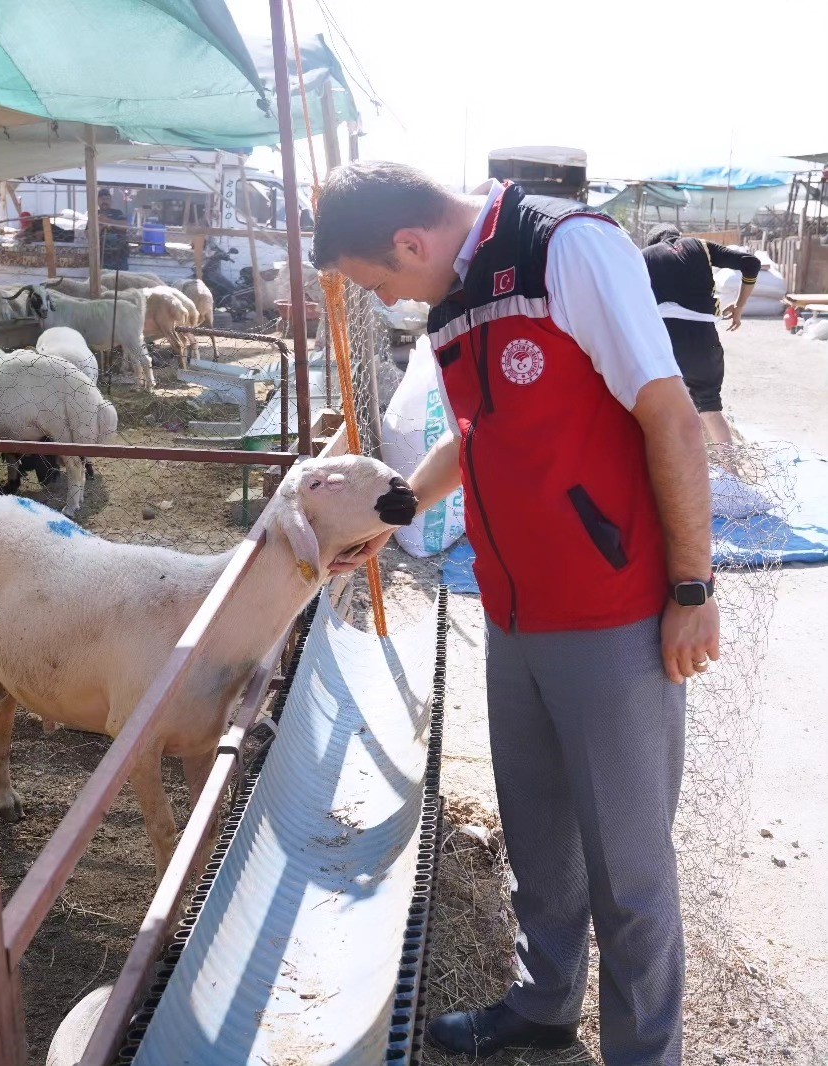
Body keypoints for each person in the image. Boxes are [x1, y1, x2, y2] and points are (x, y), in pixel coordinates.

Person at [312, 163, 720, 1065]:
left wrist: (692, 588)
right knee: (538, 835)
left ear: (410, 242)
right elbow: (478, 434)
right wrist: (398, 513)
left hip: (613, 614)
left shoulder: (565, 249)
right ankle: (544, 1005)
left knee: (630, 870)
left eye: (381, 282)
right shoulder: (456, 299)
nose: (390, 298)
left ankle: (645, 1054)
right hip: (513, 608)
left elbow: (672, 418)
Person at [642, 224, 761, 446]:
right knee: (710, 408)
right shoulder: (701, 246)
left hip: (663, 340)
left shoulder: (643, 257)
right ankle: (731, 476)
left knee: (664, 410)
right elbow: (751, 263)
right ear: (677, 234)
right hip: (703, 340)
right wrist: (740, 306)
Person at [97, 188, 130, 272]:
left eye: (107, 199)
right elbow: (88, 234)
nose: (104, 201)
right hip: (101, 256)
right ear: (97, 201)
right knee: (103, 280)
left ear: (111, 201)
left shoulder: (118, 213)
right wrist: (101, 226)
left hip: (119, 255)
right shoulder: (93, 214)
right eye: (102, 199)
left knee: (121, 280)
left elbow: (125, 226)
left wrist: (107, 221)